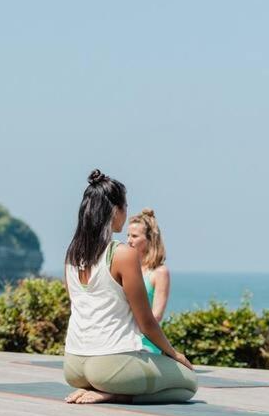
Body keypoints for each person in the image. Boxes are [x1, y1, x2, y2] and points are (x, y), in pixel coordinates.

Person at [62, 170, 197, 404]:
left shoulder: (72, 255)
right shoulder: (122, 254)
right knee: (188, 384)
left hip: (73, 364)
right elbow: (146, 322)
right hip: (109, 364)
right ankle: (114, 393)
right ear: (116, 210)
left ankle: (103, 388)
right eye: (125, 207)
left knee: (113, 371)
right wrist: (174, 354)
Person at [127, 208, 170, 355]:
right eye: (128, 235)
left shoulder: (159, 272)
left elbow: (156, 315)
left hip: (145, 345)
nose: (128, 240)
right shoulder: (127, 268)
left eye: (134, 236)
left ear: (149, 239)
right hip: (122, 341)